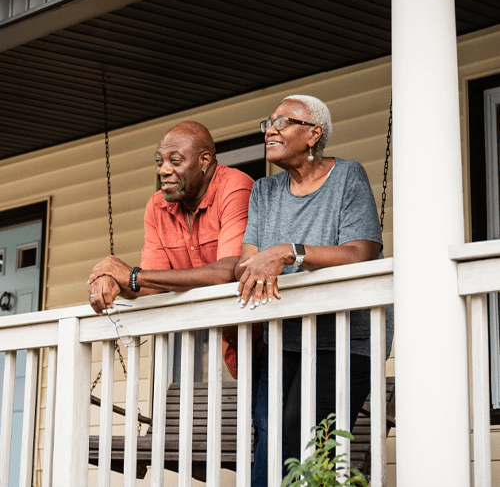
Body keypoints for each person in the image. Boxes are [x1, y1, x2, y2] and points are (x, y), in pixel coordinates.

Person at [235, 95, 394, 485]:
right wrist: (266, 261)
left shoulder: (347, 176)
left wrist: (291, 253)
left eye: (282, 122)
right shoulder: (264, 192)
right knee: (274, 445)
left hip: (346, 338)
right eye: (268, 123)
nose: (270, 130)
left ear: (313, 134)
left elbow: (361, 252)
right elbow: (249, 263)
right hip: (283, 336)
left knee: (305, 440)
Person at [87, 121, 254, 373]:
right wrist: (115, 282)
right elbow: (152, 287)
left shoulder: (234, 186)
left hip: (273, 331)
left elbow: (227, 273)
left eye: (175, 161)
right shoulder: (157, 207)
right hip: (233, 345)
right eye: (159, 162)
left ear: (204, 161)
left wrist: (133, 275)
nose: (163, 170)